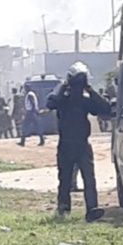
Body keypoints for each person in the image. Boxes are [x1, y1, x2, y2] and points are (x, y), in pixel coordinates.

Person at [46, 62, 109, 223]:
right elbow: (50, 103)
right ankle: (64, 207)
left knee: (88, 178)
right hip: (67, 143)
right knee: (66, 178)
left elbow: (104, 108)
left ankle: (92, 209)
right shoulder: (63, 100)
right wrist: (63, 87)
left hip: (81, 143)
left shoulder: (84, 100)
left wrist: (89, 89)